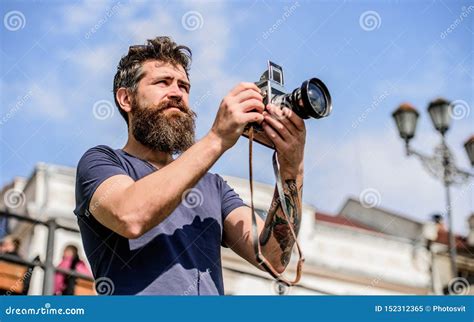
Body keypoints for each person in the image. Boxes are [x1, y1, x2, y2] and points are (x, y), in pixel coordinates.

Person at [74, 36, 306, 295]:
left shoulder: (213, 186)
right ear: (126, 99)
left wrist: (291, 167)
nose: (177, 93)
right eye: (162, 82)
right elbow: (130, 217)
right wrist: (217, 138)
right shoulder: (101, 162)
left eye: (184, 86)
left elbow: (273, 258)